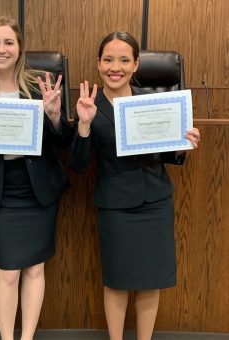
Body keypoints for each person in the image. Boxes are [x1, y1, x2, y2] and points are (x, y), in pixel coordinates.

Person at [69, 31, 200, 340]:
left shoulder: (152, 102)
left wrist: (182, 146)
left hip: (155, 201)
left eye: (125, 60)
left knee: (150, 280)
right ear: (98, 63)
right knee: (117, 281)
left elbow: (164, 152)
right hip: (116, 205)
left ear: (136, 64)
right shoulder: (90, 104)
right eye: (109, 60)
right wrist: (84, 125)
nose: (116, 67)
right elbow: (77, 165)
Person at [0, 16, 73, 340]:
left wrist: (54, 116)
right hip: (1, 190)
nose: (1, 48)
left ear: (19, 49)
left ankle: (27, 337)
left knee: (36, 268)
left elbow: (64, 141)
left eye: (9, 42)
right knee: (8, 271)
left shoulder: (40, 87)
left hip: (38, 189)